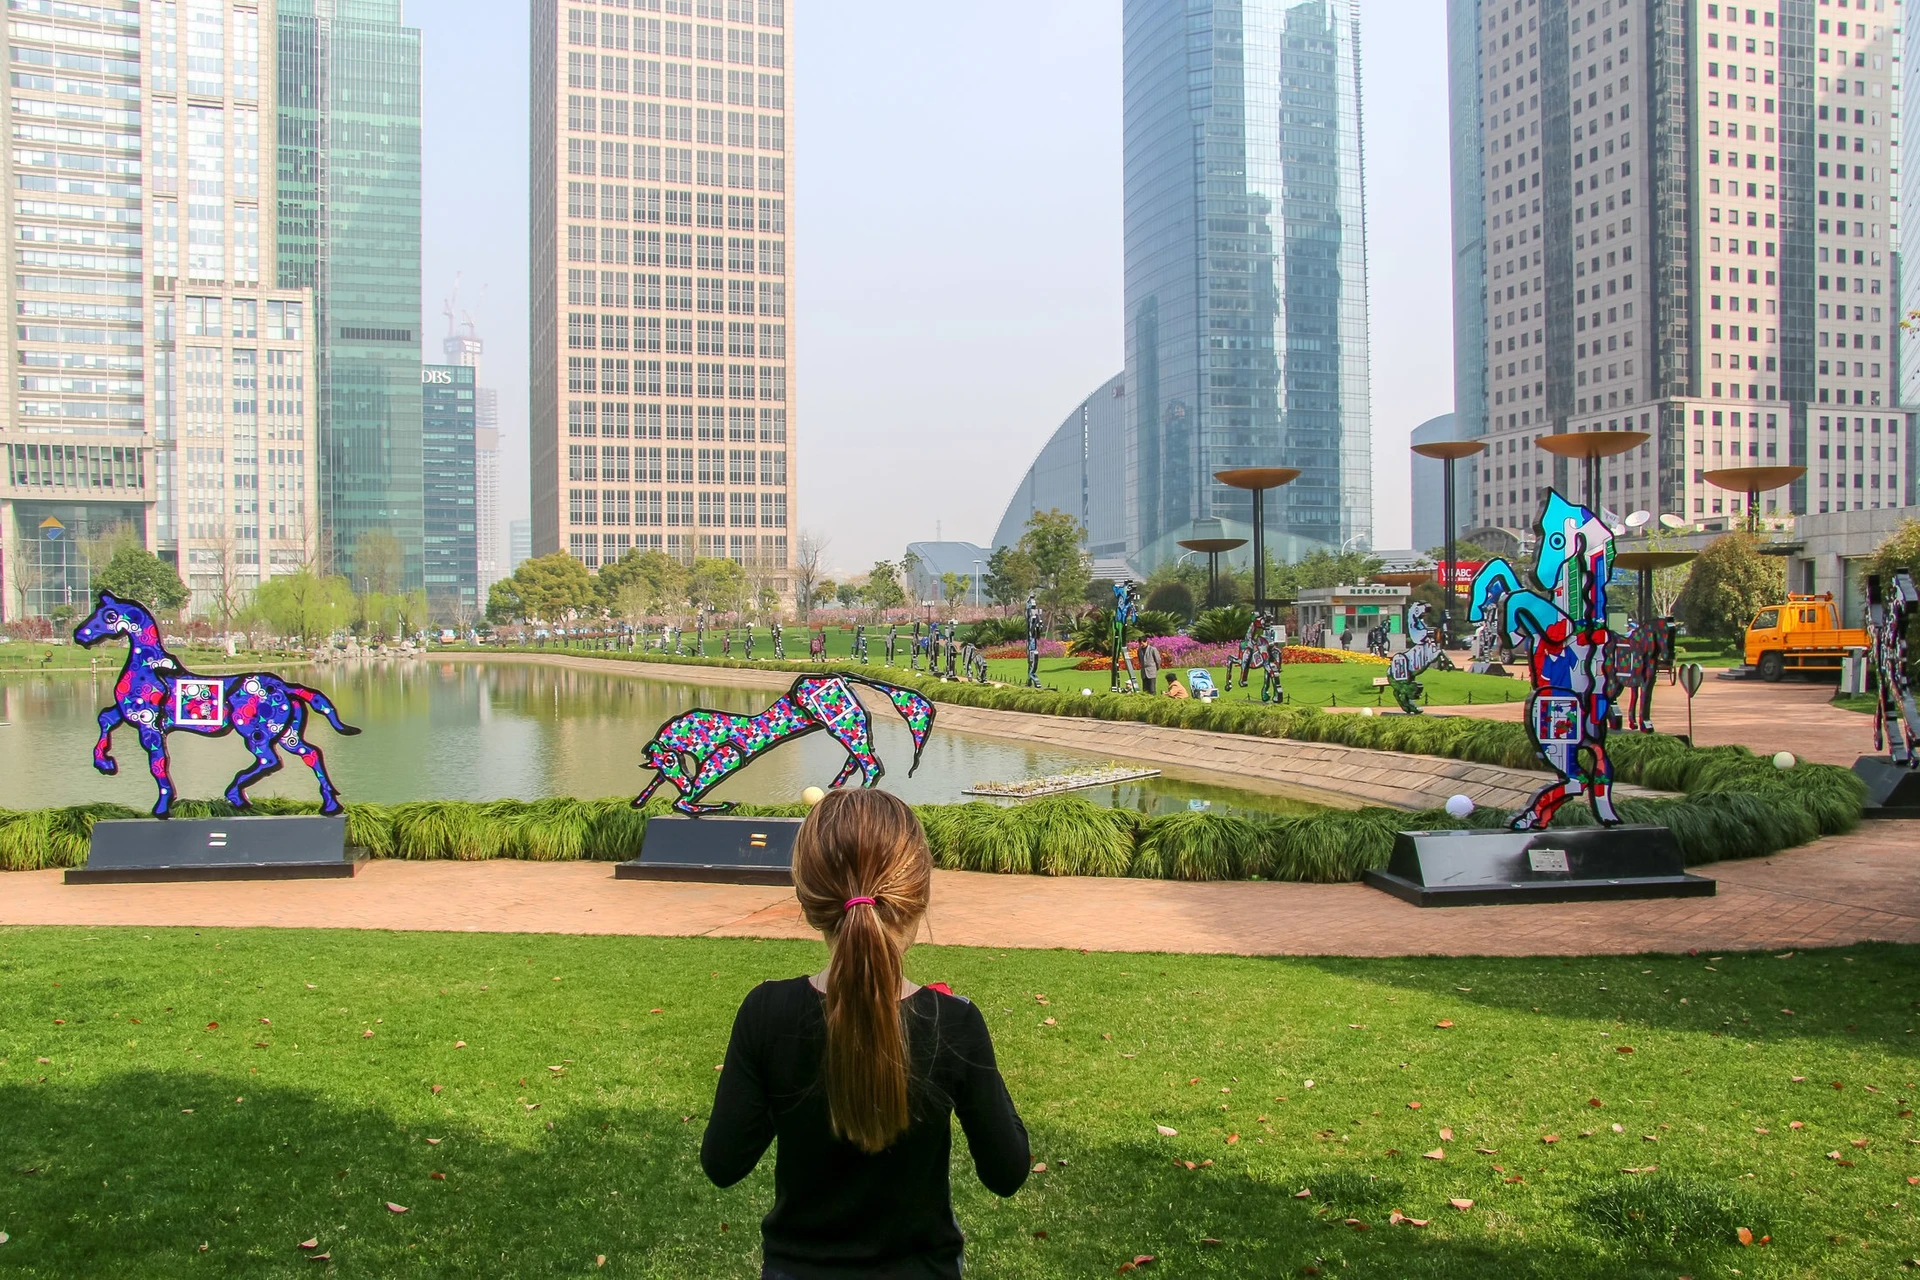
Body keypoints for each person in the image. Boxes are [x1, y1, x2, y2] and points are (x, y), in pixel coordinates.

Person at [701, 790, 1030, 1279]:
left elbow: (723, 1163)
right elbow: (1007, 1171)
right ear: (919, 897)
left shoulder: (766, 1012)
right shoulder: (953, 1022)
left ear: (808, 901)